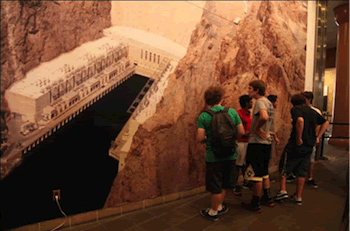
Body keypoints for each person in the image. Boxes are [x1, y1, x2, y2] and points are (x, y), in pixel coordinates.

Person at [197, 85, 244, 221]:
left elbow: (200, 139)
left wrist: (211, 139)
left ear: (207, 100)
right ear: (222, 99)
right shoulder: (232, 112)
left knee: (215, 185)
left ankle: (213, 212)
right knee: (225, 183)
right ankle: (219, 206)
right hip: (231, 154)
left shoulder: (204, 116)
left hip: (213, 156)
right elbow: (241, 132)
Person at [274, 94, 329, 205]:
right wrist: (318, 137)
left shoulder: (296, 109)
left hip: (296, 144)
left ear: (292, 102)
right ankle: (298, 196)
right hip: (309, 145)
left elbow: (300, 121)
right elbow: (325, 122)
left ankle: (283, 190)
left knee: (284, 165)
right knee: (302, 170)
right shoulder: (312, 111)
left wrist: (299, 137)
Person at [242, 80, 276, 212]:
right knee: (263, 172)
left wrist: (256, 129)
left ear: (257, 90)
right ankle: (267, 198)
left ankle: (255, 203)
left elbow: (264, 116)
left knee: (255, 174)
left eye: (250, 88)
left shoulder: (260, 102)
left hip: (257, 143)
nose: (248, 90)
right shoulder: (268, 102)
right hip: (266, 143)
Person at [301, 91, 323, 188]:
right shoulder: (299, 109)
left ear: (309, 99)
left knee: (311, 158)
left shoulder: (315, 111)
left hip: (310, 137)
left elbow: (319, 124)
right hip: (301, 137)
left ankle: (310, 177)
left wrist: (317, 136)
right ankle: (296, 174)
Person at [233, 95, 253, 196]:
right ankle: (235, 185)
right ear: (246, 103)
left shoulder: (249, 113)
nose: (252, 103)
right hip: (240, 141)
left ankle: (247, 181)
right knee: (238, 164)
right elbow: (236, 128)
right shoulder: (238, 114)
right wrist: (245, 133)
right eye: (250, 102)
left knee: (247, 163)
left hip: (248, 141)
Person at [267, 95, 280, 183]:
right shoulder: (267, 112)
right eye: (276, 101)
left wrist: (275, 137)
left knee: (268, 157)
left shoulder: (270, 112)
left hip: (269, 137)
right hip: (266, 138)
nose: (277, 104)